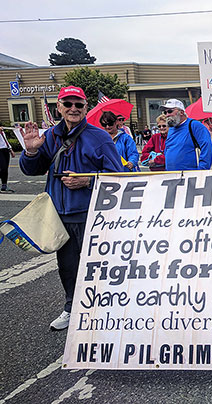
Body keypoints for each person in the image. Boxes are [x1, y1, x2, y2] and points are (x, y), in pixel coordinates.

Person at [19, 86, 123, 331]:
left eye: (78, 104)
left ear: (86, 107)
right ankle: (71, 308)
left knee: (99, 265)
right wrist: (31, 151)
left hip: (92, 215)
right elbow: (32, 170)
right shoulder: (50, 136)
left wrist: (87, 181)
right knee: (67, 267)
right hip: (59, 216)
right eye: (68, 104)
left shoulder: (99, 137)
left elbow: (119, 176)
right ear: (59, 107)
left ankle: (107, 310)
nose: (73, 108)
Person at [160, 99, 212, 171]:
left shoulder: (194, 125)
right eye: (165, 112)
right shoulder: (171, 129)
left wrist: (202, 170)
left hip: (189, 174)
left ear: (181, 112)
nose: (167, 115)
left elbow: (207, 147)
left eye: (170, 111)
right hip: (171, 174)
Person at [0, 128, 15, 192]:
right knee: (3, 167)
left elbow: (5, 140)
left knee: (5, 168)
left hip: (5, 149)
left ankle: (4, 185)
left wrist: (10, 149)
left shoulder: (2, 131)